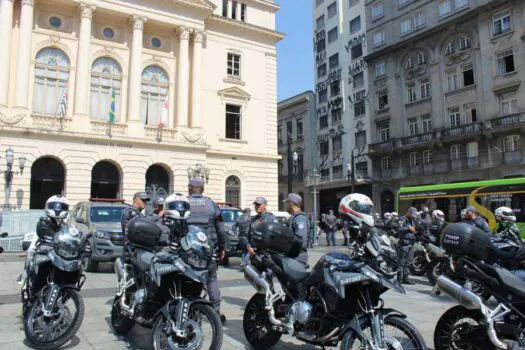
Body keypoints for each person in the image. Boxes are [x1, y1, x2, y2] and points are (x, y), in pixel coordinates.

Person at [186, 178, 227, 324]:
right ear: (202, 189)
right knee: (211, 279)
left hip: (188, 249)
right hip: (208, 249)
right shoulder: (211, 204)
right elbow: (221, 229)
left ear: (190, 188)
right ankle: (215, 312)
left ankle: (191, 312)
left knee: (189, 279)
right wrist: (222, 247)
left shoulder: (183, 203)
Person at [18, 195, 70, 285]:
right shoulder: (44, 222)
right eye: (54, 206)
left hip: (58, 247)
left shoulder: (66, 225)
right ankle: (25, 275)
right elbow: (40, 231)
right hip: (43, 242)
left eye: (61, 207)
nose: (57, 209)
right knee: (31, 250)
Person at [283, 193, 309, 266]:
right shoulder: (293, 217)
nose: (286, 206)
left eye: (287, 203)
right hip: (292, 256)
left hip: (297, 257)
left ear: (291, 203)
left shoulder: (299, 218)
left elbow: (301, 241)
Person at [397, 207, 418, 285]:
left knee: (408, 262)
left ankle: (405, 279)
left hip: (411, 243)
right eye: (412, 214)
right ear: (408, 212)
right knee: (401, 262)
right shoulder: (403, 218)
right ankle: (399, 279)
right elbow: (399, 228)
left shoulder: (412, 220)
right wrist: (409, 228)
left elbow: (413, 229)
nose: (413, 216)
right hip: (404, 243)